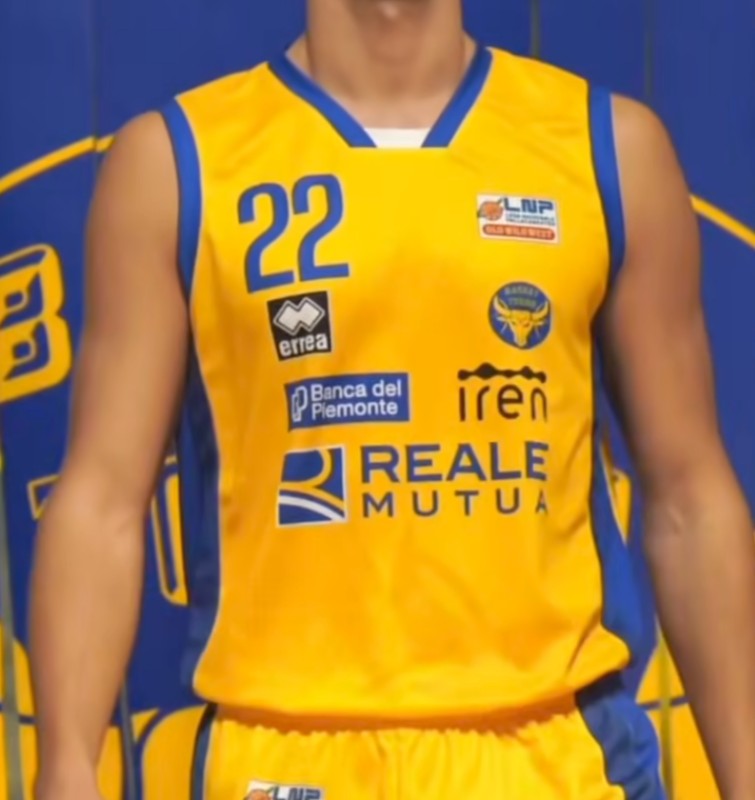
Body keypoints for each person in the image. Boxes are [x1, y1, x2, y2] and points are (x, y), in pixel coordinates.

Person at [29, 0, 755, 798]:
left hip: (557, 757)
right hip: (284, 759)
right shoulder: (176, 163)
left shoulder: (607, 149)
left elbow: (689, 495)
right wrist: (66, 765)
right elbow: (102, 496)